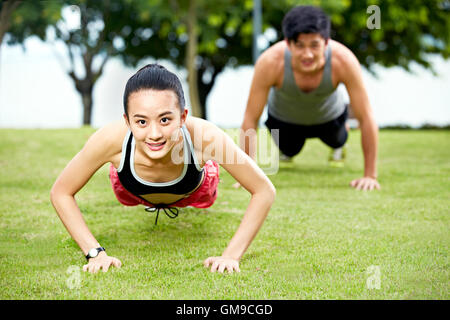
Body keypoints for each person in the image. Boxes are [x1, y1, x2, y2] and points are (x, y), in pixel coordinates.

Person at [50, 64, 275, 274]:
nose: (155, 133)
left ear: (183, 117)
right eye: (141, 122)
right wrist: (94, 253)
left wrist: (231, 256)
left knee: (208, 168)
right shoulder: (110, 139)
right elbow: (61, 192)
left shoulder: (206, 137)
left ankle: (205, 163)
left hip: (194, 190)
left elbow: (264, 190)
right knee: (119, 167)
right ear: (127, 122)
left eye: (165, 120)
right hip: (131, 191)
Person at [238, 5, 380, 191]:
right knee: (289, 148)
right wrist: (246, 177)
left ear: (326, 42)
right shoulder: (270, 62)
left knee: (338, 139)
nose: (308, 54)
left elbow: (366, 117)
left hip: (330, 118)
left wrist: (370, 176)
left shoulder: (344, 61)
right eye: (300, 46)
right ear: (288, 43)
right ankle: (287, 152)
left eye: (314, 45)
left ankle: (338, 144)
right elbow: (250, 117)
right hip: (284, 119)